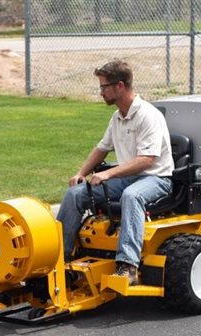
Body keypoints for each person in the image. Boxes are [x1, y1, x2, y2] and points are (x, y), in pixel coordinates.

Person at [56, 60, 174, 285]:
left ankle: (128, 266)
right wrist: (81, 173)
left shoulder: (147, 115)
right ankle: (60, 258)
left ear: (120, 86)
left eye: (104, 87)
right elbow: (101, 149)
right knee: (76, 194)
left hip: (156, 179)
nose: (101, 92)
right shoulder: (117, 116)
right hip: (129, 178)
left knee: (132, 196)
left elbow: (146, 160)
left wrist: (109, 175)